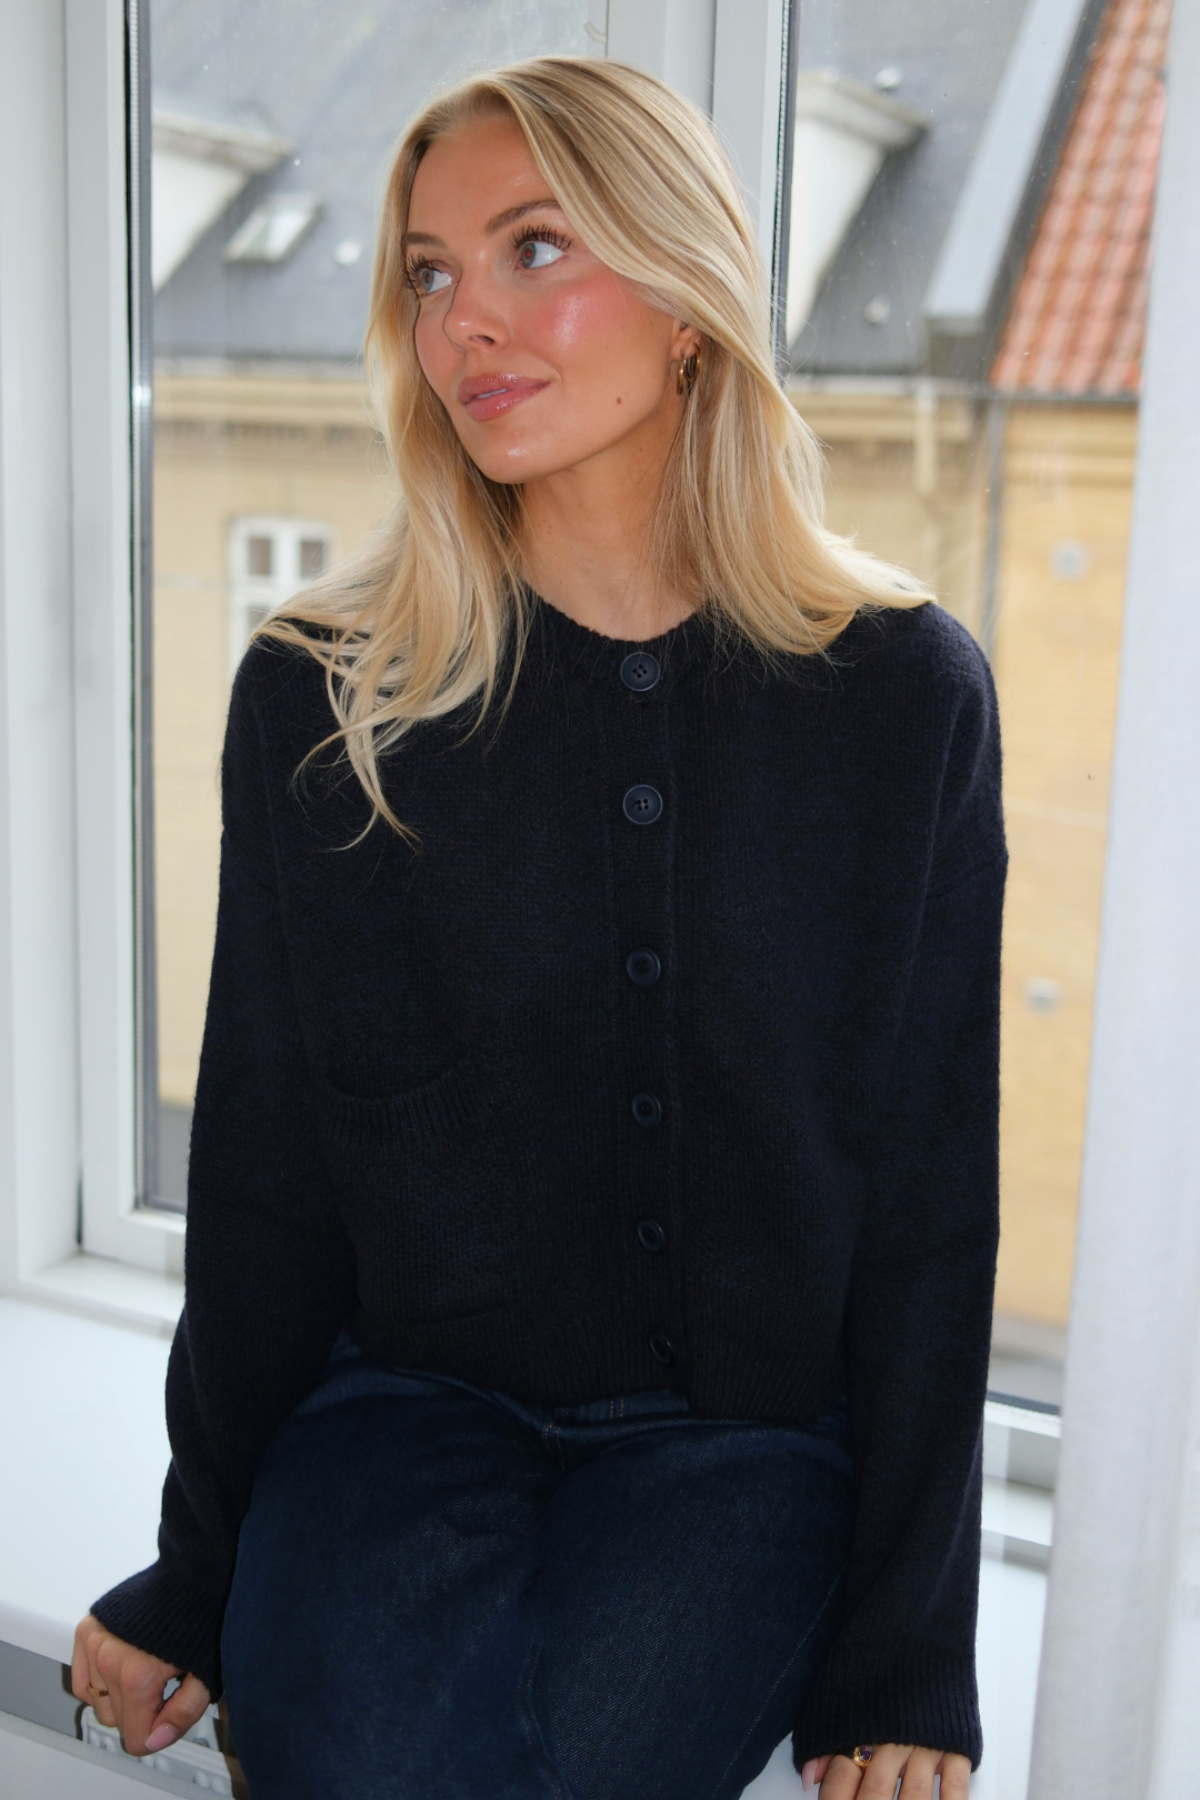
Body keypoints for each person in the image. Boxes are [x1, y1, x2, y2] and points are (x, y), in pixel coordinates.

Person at [72, 55, 1004, 1800]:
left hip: (746, 1453)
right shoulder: (326, 697)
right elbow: (267, 1172)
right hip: (397, 1419)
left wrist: (907, 1650)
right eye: (429, 272)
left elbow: (931, 1201)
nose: (465, 323)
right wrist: (196, 1565)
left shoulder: (903, 700)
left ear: (688, 302)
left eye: (535, 247)